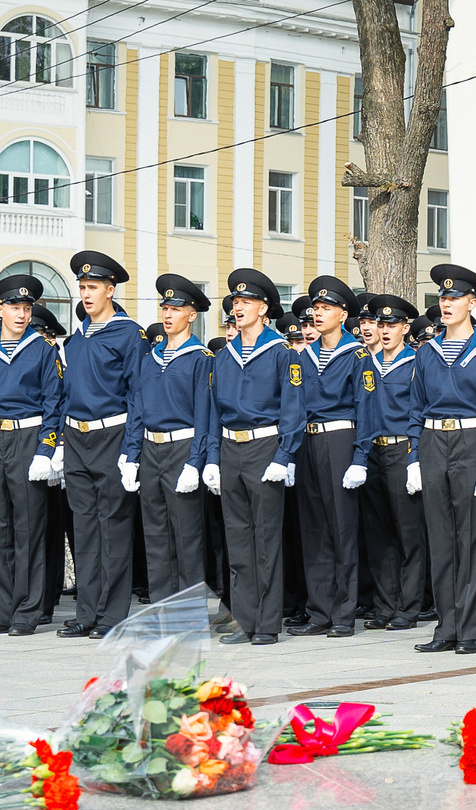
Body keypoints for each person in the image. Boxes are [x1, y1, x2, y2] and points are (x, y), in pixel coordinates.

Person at [412, 264, 476, 656]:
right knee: (440, 538)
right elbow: (414, 408)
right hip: (434, 440)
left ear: (472, 303)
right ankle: (446, 626)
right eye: (443, 298)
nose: (447, 304)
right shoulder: (428, 353)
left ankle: (468, 630)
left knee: (470, 537)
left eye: (455, 298)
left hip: (472, 439)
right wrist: (413, 459)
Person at [208, 267, 307, 647]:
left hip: (265, 446)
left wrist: (284, 456)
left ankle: (266, 623)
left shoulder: (281, 354)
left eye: (247, 301)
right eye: (236, 301)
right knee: (237, 539)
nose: (239, 307)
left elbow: (293, 409)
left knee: (266, 539)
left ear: (264, 308)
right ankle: (243, 620)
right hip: (231, 447)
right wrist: (214, 459)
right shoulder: (224, 355)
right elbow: (214, 410)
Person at [0, 273, 64, 636]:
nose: (21, 314)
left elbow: (54, 401)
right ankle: (0, 611)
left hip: (27, 436)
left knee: (29, 530)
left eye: (26, 307)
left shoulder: (43, 349)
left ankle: (27, 612)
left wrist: (46, 449)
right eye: (14, 307)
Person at [58, 250, 147, 638]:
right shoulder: (76, 338)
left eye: (93, 287)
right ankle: (86, 612)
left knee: (113, 527)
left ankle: (112, 615)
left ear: (111, 290)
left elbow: (137, 394)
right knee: (84, 528)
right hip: (77, 437)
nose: (86, 293)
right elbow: (66, 392)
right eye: (82, 287)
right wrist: (61, 442)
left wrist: (131, 450)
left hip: (112, 435)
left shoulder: (128, 334)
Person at [288, 273, 367, 638]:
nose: (317, 315)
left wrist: (360, 456)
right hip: (308, 441)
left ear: (342, 313)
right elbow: (294, 406)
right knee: (314, 529)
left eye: (325, 308)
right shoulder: (304, 357)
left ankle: (344, 613)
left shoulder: (357, 355)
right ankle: (319, 611)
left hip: (340, 439)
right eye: (315, 308)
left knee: (342, 528)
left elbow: (366, 408)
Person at [136, 275, 215, 604]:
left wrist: (195, 462)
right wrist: (131, 456)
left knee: (186, 536)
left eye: (176, 308)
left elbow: (204, 414)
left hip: (182, 448)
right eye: (164, 307)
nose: (167, 314)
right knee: (155, 535)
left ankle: (188, 610)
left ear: (192, 315)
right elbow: (137, 407)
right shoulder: (149, 357)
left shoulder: (201, 358)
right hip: (150, 448)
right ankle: (161, 608)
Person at [354, 292, 430, 631]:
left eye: (392, 324)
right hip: (373, 451)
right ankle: (385, 605)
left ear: (406, 328)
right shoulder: (366, 362)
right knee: (378, 532)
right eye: (381, 324)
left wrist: (415, 455)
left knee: (407, 532)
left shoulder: (415, 363)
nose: (385, 330)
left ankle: (408, 606)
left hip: (402, 450)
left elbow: (418, 410)